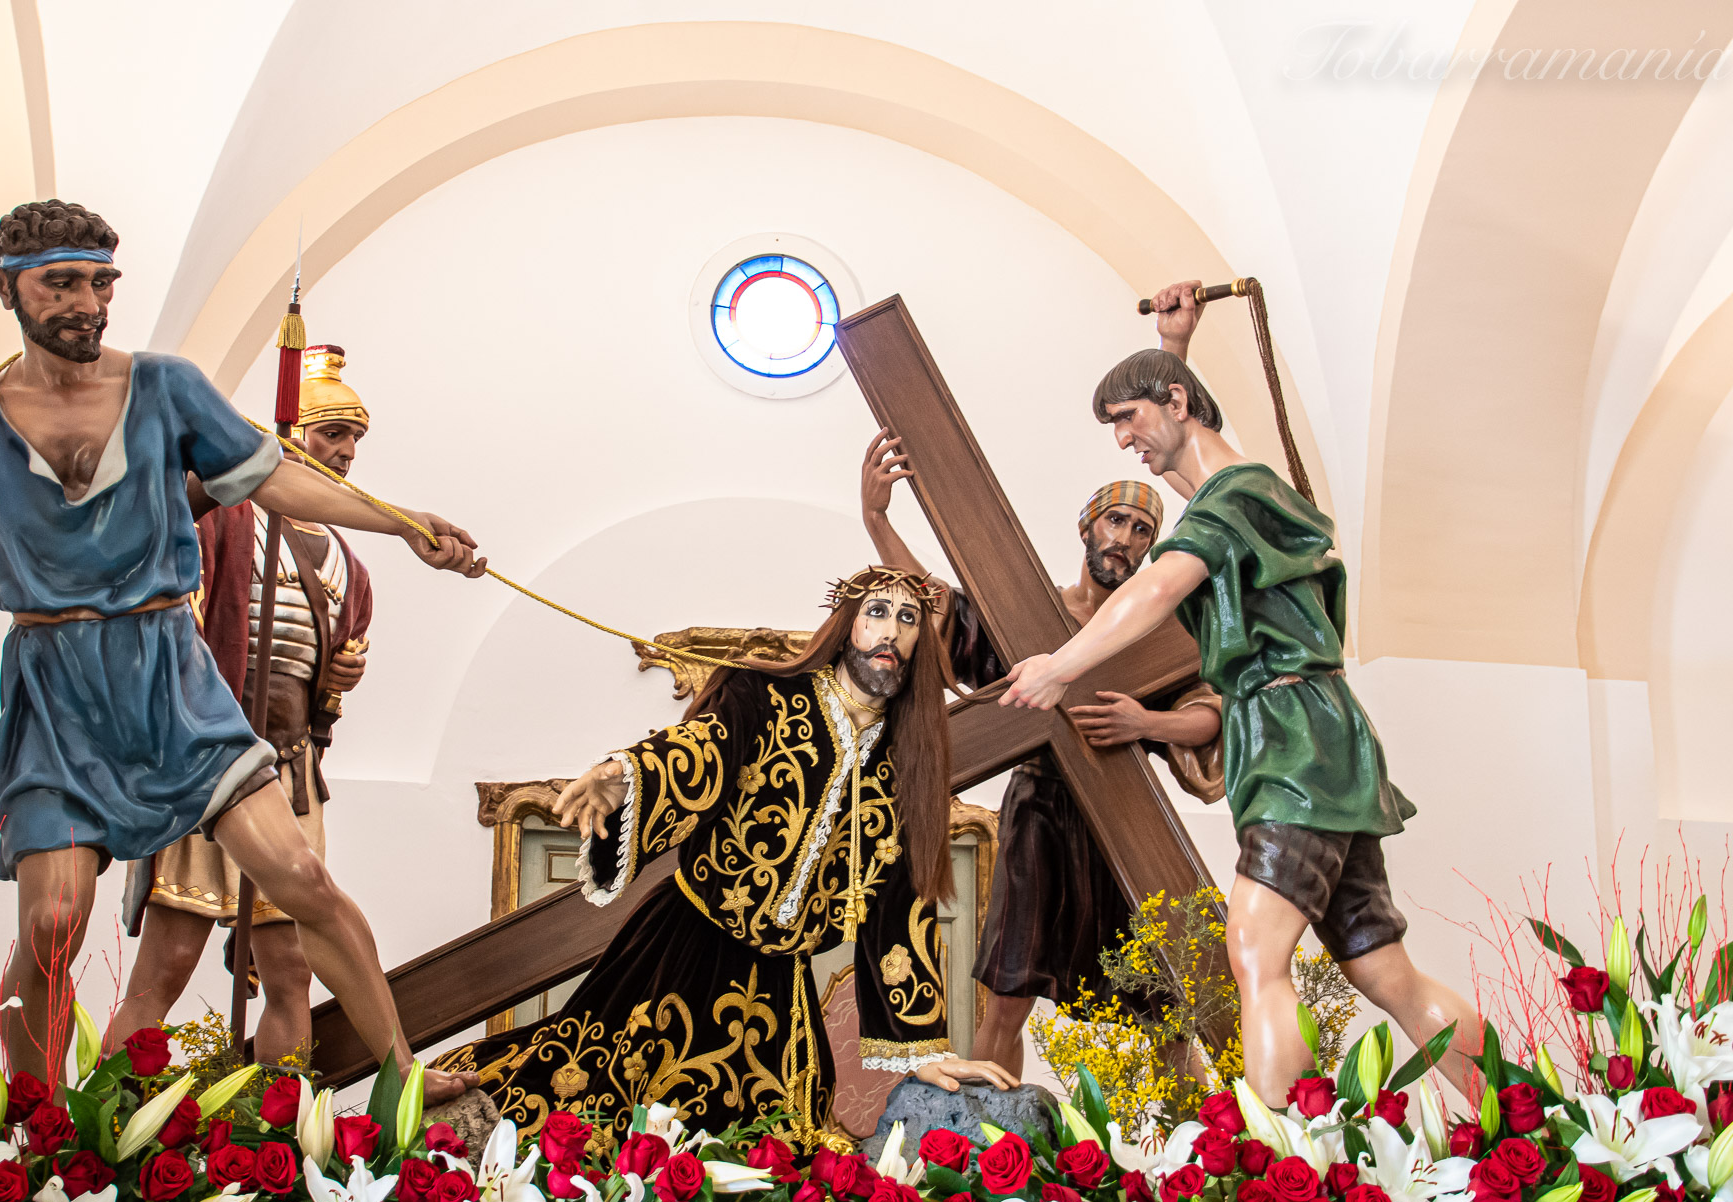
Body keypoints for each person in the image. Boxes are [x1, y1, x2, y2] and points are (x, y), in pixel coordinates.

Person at [0, 199, 480, 1101]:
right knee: (54, 923)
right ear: (6, 287)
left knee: (300, 877)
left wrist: (403, 522)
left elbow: (277, 477)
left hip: (170, 676)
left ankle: (401, 1077)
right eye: (60, 284)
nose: (87, 304)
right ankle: (35, 1134)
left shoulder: (164, 387)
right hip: (56, 687)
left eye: (101, 283)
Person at [998, 285, 1482, 1102]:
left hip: (1294, 738)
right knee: (1383, 970)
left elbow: (1158, 589)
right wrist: (1173, 348)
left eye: (1127, 417)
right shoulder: (1240, 495)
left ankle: (1283, 1152)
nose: (1122, 439)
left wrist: (1059, 666)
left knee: (1255, 949)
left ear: (1176, 402)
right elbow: (1192, 455)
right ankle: (1516, 1113)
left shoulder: (1237, 495)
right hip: (1310, 735)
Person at [433, 567, 1016, 1144]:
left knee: (770, 1151)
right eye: (877, 612)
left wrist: (924, 1050)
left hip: (780, 990)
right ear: (847, 625)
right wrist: (628, 774)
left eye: (908, 618)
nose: (890, 631)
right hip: (682, 952)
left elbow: (901, 904)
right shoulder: (765, 694)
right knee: (591, 1106)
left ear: (920, 642)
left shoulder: (906, 760)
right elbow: (704, 747)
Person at [861, 319, 1224, 1077]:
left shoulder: (1148, 633)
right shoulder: (1027, 614)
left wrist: (1145, 719)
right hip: (1040, 813)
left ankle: (1200, 1143)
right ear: (1088, 526)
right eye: (1116, 519)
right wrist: (877, 518)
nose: (1126, 537)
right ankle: (990, 1138)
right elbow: (935, 605)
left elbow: (1206, 715)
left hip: (1122, 807)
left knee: (1169, 1008)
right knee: (1006, 995)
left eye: (1142, 529)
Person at [107, 345, 378, 1066]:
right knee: (167, 965)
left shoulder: (350, 565)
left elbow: (326, 684)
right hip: (213, 758)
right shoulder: (225, 521)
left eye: (355, 438)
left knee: (290, 971)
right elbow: (170, 625)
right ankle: (104, 1119)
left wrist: (340, 678)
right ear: (291, 434)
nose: (347, 451)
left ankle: (277, 1120)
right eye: (333, 433)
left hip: (290, 772)